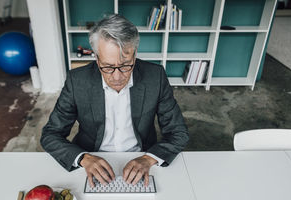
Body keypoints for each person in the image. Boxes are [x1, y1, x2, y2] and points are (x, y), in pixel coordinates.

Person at [41, 14, 189, 187]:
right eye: (108, 67)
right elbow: (51, 134)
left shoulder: (155, 76)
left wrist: (149, 158)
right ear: (96, 58)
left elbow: (178, 132)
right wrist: (82, 158)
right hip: (90, 159)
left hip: (143, 156)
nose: (117, 77)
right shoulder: (77, 81)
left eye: (126, 65)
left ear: (134, 55)